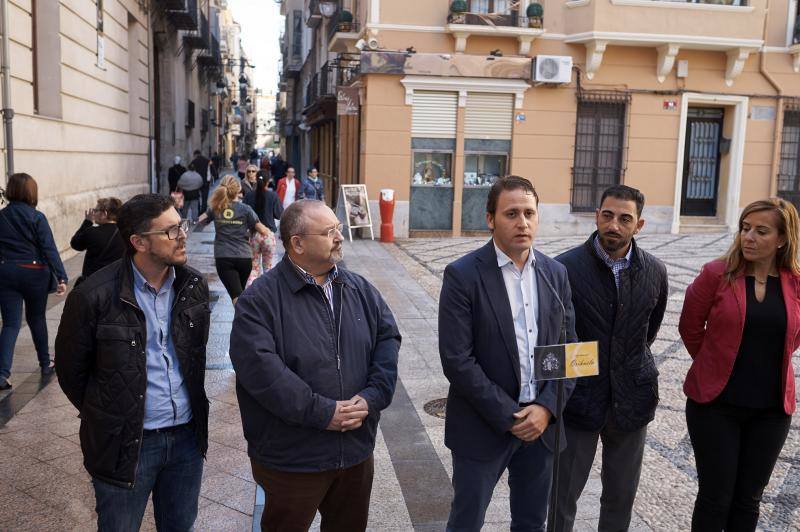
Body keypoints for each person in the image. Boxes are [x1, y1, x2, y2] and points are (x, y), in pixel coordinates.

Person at [229, 199, 401, 532]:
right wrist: (323, 413)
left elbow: (387, 341)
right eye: (328, 232)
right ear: (298, 243)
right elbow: (262, 372)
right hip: (293, 459)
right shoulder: (260, 300)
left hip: (354, 452)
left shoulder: (359, 289)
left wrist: (372, 396)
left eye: (338, 228)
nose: (339, 237)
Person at [55, 194, 211, 531]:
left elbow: (193, 356)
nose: (182, 234)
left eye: (180, 225)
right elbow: (71, 372)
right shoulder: (93, 295)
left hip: (186, 438)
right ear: (139, 242)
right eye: (170, 231)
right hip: (125, 443)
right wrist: (107, 413)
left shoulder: (192, 285)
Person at [439, 175, 577, 531]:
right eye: (511, 213)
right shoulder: (463, 275)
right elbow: (457, 359)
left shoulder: (555, 273)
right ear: (490, 219)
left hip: (541, 426)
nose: (523, 223)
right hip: (482, 425)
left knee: (532, 522)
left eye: (529, 213)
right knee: (467, 520)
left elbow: (568, 351)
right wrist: (511, 416)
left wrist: (546, 408)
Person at [678, 198, 800, 532]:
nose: (749, 237)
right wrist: (714, 362)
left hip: (771, 410)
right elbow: (690, 326)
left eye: (761, 231)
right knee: (715, 497)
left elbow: (794, 336)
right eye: (745, 228)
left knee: (749, 499)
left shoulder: (795, 283)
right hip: (715, 406)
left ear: (782, 238)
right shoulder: (716, 274)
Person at [553, 185, 669, 532]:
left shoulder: (655, 271)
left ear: (639, 224)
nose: (613, 225)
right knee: (561, 496)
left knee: (620, 497)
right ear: (597, 216)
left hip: (632, 400)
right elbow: (553, 339)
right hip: (579, 400)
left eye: (624, 218)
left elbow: (648, 332)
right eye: (607, 215)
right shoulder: (563, 269)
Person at [0, 173, 68, 390]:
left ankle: (2, 374)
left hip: (6, 271)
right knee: (36, 318)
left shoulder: (1, 216)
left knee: (10, 324)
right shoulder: (37, 217)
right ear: (31, 192)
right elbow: (49, 248)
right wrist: (61, 276)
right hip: (34, 272)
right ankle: (45, 363)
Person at [197, 175, 270, 304]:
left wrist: (211, 213)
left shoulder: (216, 207)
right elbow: (263, 230)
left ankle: (247, 322)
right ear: (238, 190)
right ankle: (242, 322)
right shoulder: (246, 209)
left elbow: (200, 222)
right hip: (244, 257)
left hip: (224, 257)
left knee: (237, 297)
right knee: (239, 295)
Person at [69, 197, 126, 286]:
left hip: (94, 285)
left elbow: (75, 244)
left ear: (104, 213)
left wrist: (87, 222)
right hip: (117, 283)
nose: (94, 213)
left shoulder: (92, 232)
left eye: (96, 210)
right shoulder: (125, 233)